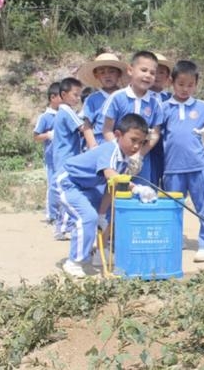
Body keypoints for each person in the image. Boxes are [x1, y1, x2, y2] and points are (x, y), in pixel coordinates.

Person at [53, 113, 149, 277]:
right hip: (67, 182)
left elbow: (111, 188)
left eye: (141, 143)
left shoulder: (124, 160)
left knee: (104, 216)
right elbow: (111, 176)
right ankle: (74, 262)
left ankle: (99, 253)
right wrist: (135, 188)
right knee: (87, 217)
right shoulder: (110, 149)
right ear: (118, 135)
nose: (136, 147)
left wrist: (102, 214)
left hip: (88, 187)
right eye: (133, 140)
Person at [161, 60, 204, 263]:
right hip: (172, 167)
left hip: (197, 165)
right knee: (173, 206)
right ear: (172, 83)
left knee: (203, 205)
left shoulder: (202, 107)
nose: (185, 89)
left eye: (190, 85)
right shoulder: (164, 107)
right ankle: (174, 238)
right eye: (181, 84)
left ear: (196, 85)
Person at [102, 51, 163, 184]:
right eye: (143, 70)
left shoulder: (155, 101)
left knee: (142, 194)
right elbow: (107, 130)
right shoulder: (117, 98)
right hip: (116, 159)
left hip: (142, 161)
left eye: (152, 73)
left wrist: (139, 155)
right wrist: (120, 153)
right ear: (130, 70)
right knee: (116, 195)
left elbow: (155, 134)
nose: (148, 75)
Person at [51, 77, 98, 240]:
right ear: (63, 94)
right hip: (67, 158)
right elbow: (83, 127)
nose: (78, 99)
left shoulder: (61, 111)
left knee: (66, 192)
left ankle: (62, 226)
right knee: (69, 192)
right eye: (75, 95)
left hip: (61, 156)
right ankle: (63, 227)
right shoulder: (66, 110)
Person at [77, 52, 128, 145]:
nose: (107, 75)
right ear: (97, 76)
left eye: (111, 71)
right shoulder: (92, 99)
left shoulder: (126, 96)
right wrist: (93, 146)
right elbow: (87, 126)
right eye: (102, 72)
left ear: (119, 73)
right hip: (100, 143)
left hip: (122, 143)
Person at [33, 82, 62, 224]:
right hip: (51, 158)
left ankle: (63, 215)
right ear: (53, 97)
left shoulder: (67, 114)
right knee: (52, 186)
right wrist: (49, 135)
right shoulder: (45, 117)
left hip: (65, 157)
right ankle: (51, 215)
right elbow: (36, 136)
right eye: (61, 96)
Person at [149, 53, 174, 186]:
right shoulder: (143, 97)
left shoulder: (171, 98)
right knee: (150, 178)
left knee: (168, 180)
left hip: (168, 146)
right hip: (149, 146)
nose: (157, 76)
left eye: (162, 72)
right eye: (155, 72)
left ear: (167, 77)